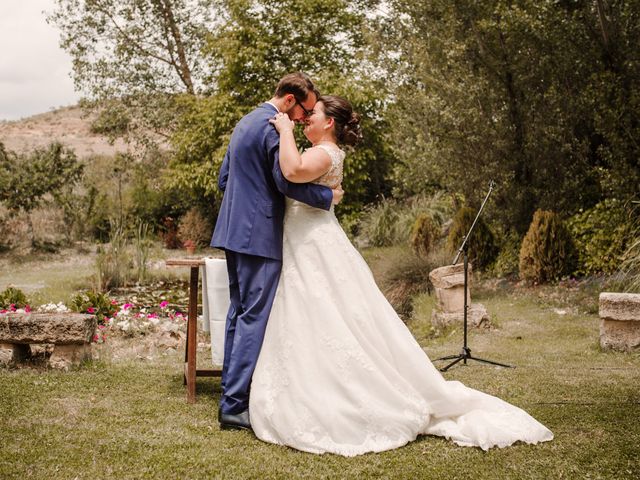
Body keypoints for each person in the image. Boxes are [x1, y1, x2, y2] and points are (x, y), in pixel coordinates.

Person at [248, 95, 554, 455]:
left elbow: (293, 171)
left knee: (321, 309)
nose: (304, 120)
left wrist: (283, 128)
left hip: (313, 243)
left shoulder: (325, 152)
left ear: (329, 122)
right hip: (304, 239)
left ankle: (342, 393)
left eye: (311, 115)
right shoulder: (323, 151)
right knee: (314, 312)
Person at [211, 73, 344, 430]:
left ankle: (230, 393)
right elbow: (287, 180)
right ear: (289, 100)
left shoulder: (245, 122)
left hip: (233, 230)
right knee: (254, 316)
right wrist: (326, 196)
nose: (303, 118)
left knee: (238, 312)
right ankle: (234, 405)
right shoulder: (272, 128)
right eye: (303, 110)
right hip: (259, 234)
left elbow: (225, 178)